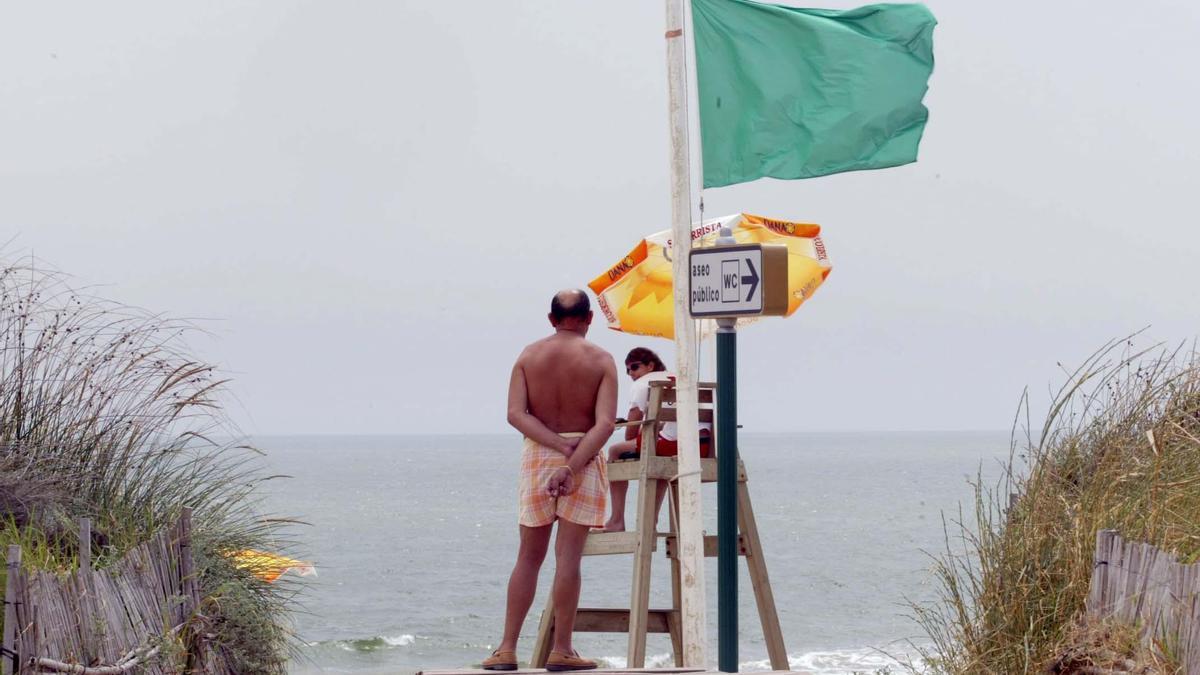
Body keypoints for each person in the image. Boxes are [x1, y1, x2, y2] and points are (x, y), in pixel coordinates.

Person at [483, 289, 617, 673]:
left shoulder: (529, 356)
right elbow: (605, 423)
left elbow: (515, 413)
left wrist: (554, 447)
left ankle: (507, 649)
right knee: (568, 558)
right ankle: (562, 649)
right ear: (589, 318)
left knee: (528, 556)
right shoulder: (602, 360)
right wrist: (572, 462)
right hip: (584, 455)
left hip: (539, 454)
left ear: (550, 318)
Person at [600, 347, 712, 533]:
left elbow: (632, 427)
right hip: (701, 446)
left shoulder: (643, 383)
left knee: (614, 451)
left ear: (650, 365)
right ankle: (651, 521)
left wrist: (633, 434)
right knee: (656, 456)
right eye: (627, 370)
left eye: (634, 367)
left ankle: (616, 520)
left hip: (676, 446)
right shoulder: (679, 377)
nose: (631, 374)